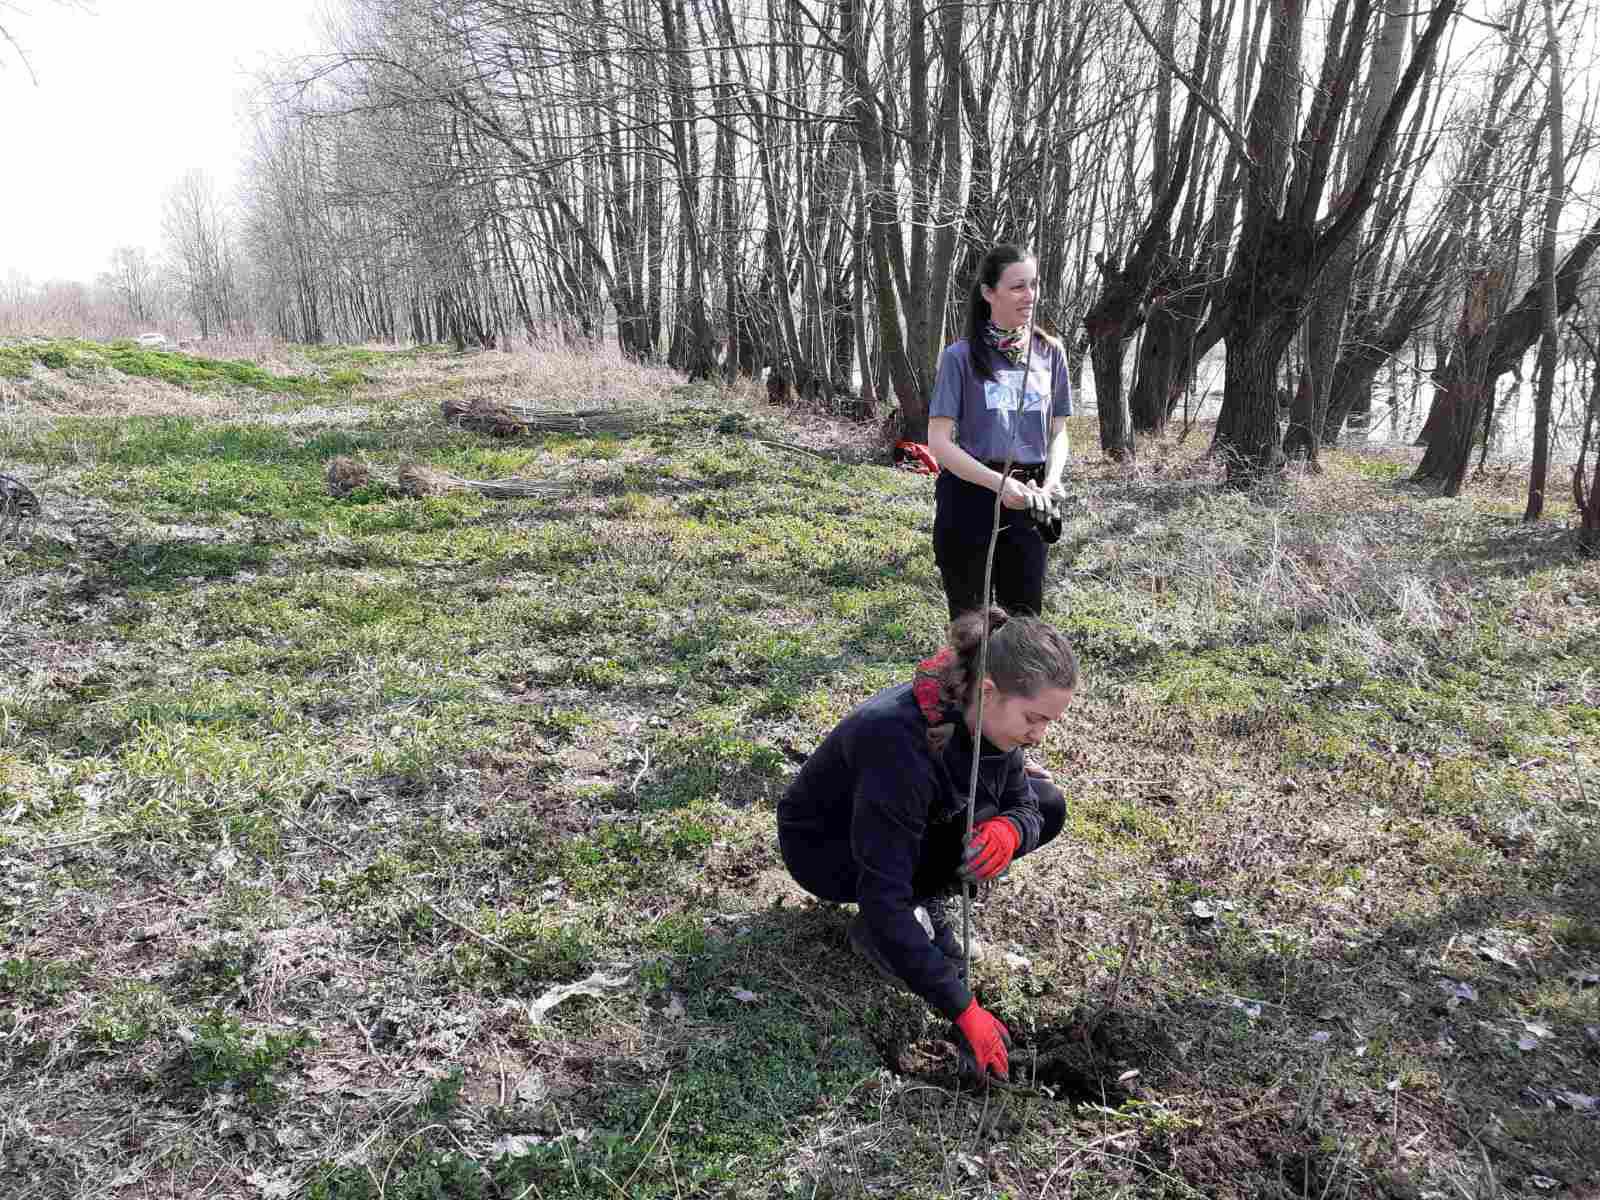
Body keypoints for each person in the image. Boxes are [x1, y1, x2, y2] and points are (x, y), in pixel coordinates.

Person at [777, 608, 1079, 1081]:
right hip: (828, 851)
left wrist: (1011, 830)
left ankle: (923, 905)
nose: (1039, 736)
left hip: (912, 817)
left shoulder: (988, 717)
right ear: (988, 692)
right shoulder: (899, 744)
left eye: (1048, 722)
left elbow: (1024, 802)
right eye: (1034, 719)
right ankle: (887, 934)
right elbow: (882, 895)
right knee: (891, 906)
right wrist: (961, 1007)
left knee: (1049, 802)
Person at [928, 244, 1073, 620]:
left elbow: (1058, 431)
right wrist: (997, 484)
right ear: (989, 293)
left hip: (1030, 502)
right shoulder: (959, 357)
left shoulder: (1051, 353)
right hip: (970, 500)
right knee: (971, 628)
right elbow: (939, 443)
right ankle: (970, 681)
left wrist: (1051, 481)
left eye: (1034, 285)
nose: (1030, 296)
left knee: (1023, 630)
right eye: (1017, 287)